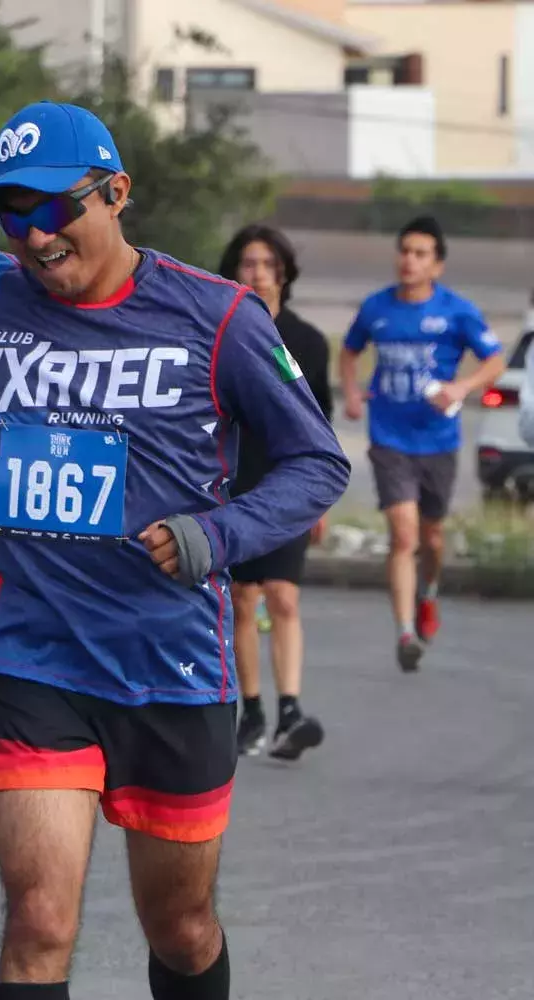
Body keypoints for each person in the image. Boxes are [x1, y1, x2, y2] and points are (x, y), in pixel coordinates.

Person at [0, 102, 350, 998]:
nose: (36, 237)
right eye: (14, 215)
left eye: (55, 209)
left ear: (117, 192)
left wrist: (218, 534)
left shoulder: (220, 316)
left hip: (173, 667)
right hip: (37, 660)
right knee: (40, 925)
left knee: (182, 927)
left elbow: (318, 462)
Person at [339, 216, 506, 672]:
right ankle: (405, 631)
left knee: (431, 538)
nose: (409, 260)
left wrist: (462, 387)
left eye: (420, 254)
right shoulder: (377, 308)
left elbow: (495, 359)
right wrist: (352, 392)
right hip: (389, 436)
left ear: (437, 265)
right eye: (404, 251)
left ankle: (428, 594)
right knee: (404, 535)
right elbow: (350, 350)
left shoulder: (456, 311)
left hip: (438, 439)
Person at [217, 225, 331, 761]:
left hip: (289, 481)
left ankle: (290, 709)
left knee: (283, 596)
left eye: (267, 264)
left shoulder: (307, 341)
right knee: (243, 599)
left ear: (283, 272)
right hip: (238, 481)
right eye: (247, 263)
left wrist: (320, 497)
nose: (257, 273)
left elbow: (321, 426)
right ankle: (252, 710)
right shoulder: (222, 333)